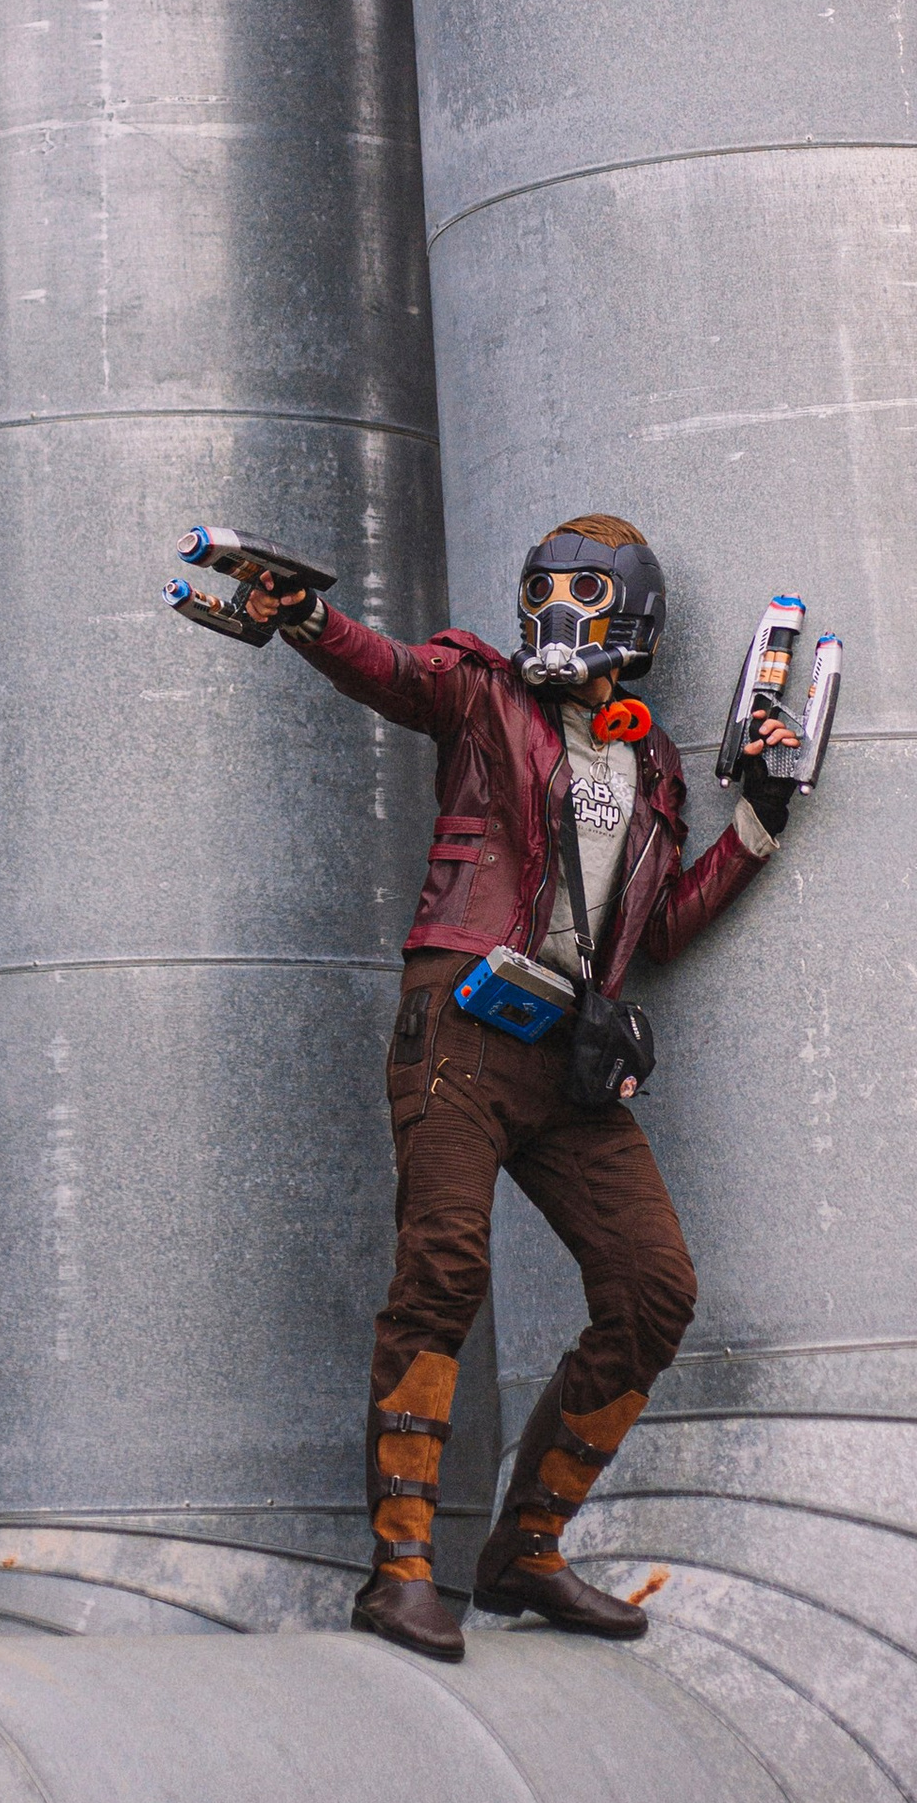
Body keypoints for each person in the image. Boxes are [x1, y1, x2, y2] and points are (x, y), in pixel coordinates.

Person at [238, 516, 799, 1664]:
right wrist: (302, 617)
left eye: (586, 588)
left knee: (652, 1290)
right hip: (461, 1021)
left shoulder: (649, 768)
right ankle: (397, 1571)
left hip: (569, 1058)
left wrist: (759, 818)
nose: (557, 604)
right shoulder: (485, 694)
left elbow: (665, 927)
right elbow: (392, 671)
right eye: (543, 584)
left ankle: (524, 1551)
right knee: (443, 1266)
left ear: (633, 615)